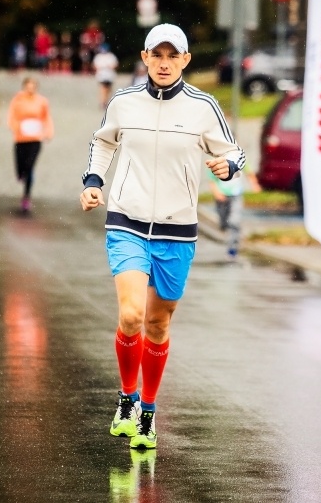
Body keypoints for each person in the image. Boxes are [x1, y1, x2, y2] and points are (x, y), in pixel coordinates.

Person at [80, 23, 246, 450]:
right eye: (158, 55)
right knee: (132, 315)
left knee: (157, 322)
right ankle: (126, 399)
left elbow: (233, 151)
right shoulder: (124, 102)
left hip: (177, 230)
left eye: (174, 56)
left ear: (186, 60)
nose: (165, 63)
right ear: (145, 57)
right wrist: (94, 180)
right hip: (127, 221)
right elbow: (103, 142)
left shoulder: (203, 107)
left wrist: (228, 167)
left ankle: (149, 411)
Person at [7, 77, 54, 212]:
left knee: (30, 166)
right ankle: (21, 174)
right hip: (20, 138)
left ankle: (26, 196)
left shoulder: (42, 101)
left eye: (33, 87)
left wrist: (48, 132)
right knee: (20, 166)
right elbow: (12, 115)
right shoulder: (18, 99)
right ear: (24, 87)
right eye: (28, 86)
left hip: (35, 139)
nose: (30, 89)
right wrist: (14, 127)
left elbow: (46, 117)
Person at [207, 161, 261, 260]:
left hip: (236, 195)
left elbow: (249, 172)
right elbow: (212, 180)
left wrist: (254, 184)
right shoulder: (218, 160)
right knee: (223, 224)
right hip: (221, 197)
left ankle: (232, 249)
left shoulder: (239, 158)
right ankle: (226, 229)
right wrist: (217, 193)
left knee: (234, 221)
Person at [92, 43, 119, 109]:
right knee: (103, 89)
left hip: (109, 76)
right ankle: (103, 102)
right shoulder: (99, 56)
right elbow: (95, 66)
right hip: (102, 76)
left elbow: (115, 65)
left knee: (108, 89)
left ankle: (106, 102)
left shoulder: (111, 56)